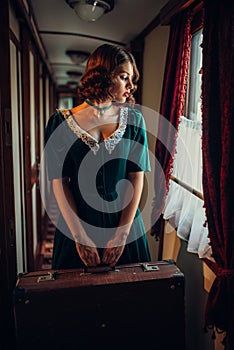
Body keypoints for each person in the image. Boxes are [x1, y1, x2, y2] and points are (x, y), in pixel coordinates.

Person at [44, 43, 151, 269]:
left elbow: (136, 178)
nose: (131, 86)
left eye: (132, 79)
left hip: (124, 220)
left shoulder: (134, 120)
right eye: (124, 77)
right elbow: (59, 182)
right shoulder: (60, 122)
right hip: (78, 221)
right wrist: (79, 236)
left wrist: (122, 234)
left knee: (131, 297)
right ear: (103, 76)